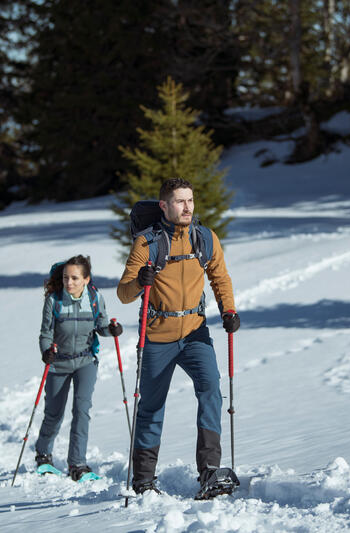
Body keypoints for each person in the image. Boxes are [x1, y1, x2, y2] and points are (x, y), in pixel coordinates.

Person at [117, 177, 240, 495]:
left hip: (195, 332)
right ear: (164, 206)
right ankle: (143, 478)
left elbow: (220, 277)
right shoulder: (147, 242)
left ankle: (210, 471)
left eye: (190, 200)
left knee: (211, 389)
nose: (187, 207)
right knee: (152, 407)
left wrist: (229, 311)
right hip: (158, 336)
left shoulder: (205, 238)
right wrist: (141, 280)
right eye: (180, 201)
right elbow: (123, 293)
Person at [35, 254, 123, 481]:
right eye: (66, 278)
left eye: (74, 278)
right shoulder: (54, 301)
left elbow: (101, 326)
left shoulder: (94, 298)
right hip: (59, 363)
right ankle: (43, 454)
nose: (69, 282)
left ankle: (77, 464)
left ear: (86, 279)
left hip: (85, 361)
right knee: (54, 414)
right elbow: (45, 333)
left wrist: (111, 330)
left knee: (81, 412)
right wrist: (47, 351)